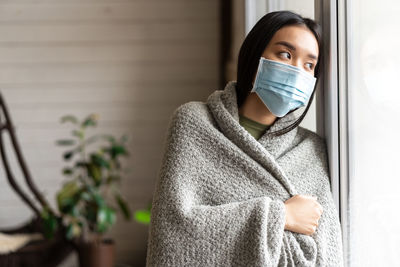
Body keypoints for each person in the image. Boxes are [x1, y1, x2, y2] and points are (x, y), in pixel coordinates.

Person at [146, 11, 344, 267]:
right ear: (254, 56)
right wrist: (280, 216)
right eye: (285, 54)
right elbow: (173, 229)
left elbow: (325, 252)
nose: (297, 71)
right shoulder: (194, 122)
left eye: (309, 65)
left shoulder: (312, 150)